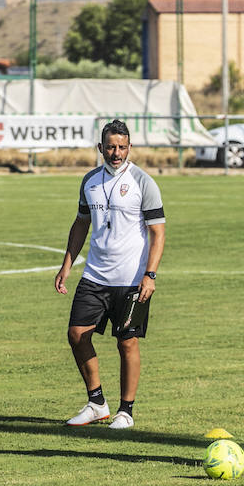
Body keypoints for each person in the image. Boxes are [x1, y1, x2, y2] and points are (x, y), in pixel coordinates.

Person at [55, 119, 166, 430]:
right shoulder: (89, 181)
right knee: (77, 335)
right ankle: (96, 403)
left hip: (132, 278)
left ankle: (125, 411)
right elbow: (80, 224)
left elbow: (158, 233)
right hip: (95, 276)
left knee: (126, 342)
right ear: (100, 148)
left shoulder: (144, 182)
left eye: (122, 147)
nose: (116, 153)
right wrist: (67, 265)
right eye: (111, 147)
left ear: (129, 148)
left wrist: (150, 276)